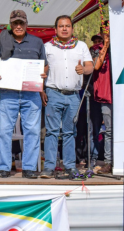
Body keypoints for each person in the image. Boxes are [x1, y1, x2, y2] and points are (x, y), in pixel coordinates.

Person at [0, 10, 48, 179]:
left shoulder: (37, 42)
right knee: (4, 131)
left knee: (32, 131)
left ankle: (29, 168)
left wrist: (43, 77)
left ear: (26, 24)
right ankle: (3, 167)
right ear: (10, 24)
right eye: (15, 23)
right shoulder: (0, 40)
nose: (18, 26)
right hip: (8, 93)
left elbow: (45, 65)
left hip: (31, 94)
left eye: (21, 23)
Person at [39, 15, 94, 180]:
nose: (64, 29)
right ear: (55, 29)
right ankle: (49, 167)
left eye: (67, 26)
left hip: (73, 96)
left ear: (72, 29)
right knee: (52, 132)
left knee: (70, 132)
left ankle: (70, 166)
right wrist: (41, 90)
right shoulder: (47, 47)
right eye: (61, 26)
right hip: (53, 93)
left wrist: (83, 70)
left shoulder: (81, 46)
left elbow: (90, 66)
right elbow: (40, 70)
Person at [90, 30, 113, 174]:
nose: (107, 35)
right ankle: (109, 163)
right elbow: (96, 66)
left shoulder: (123, 46)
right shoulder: (96, 49)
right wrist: (105, 44)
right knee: (109, 130)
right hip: (106, 94)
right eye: (105, 34)